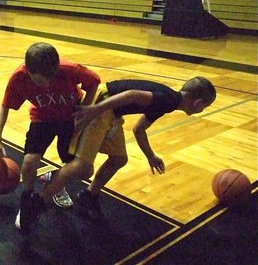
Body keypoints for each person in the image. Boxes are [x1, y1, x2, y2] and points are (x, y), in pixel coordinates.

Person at [38, 77, 216, 220]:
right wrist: (96, 109)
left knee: (119, 158)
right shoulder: (168, 100)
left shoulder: (169, 101)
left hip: (112, 111)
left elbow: (139, 130)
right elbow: (131, 94)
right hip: (104, 104)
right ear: (199, 104)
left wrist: (151, 156)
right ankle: (37, 203)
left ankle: (89, 195)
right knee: (83, 167)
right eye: (205, 107)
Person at [0, 42, 100, 231]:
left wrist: (84, 109)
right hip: (42, 119)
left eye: (51, 78)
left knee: (80, 168)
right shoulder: (18, 78)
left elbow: (94, 81)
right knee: (29, 162)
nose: (47, 84)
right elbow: (5, 105)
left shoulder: (69, 69)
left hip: (70, 119)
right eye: (40, 81)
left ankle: (54, 180)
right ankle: (27, 200)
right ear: (28, 70)